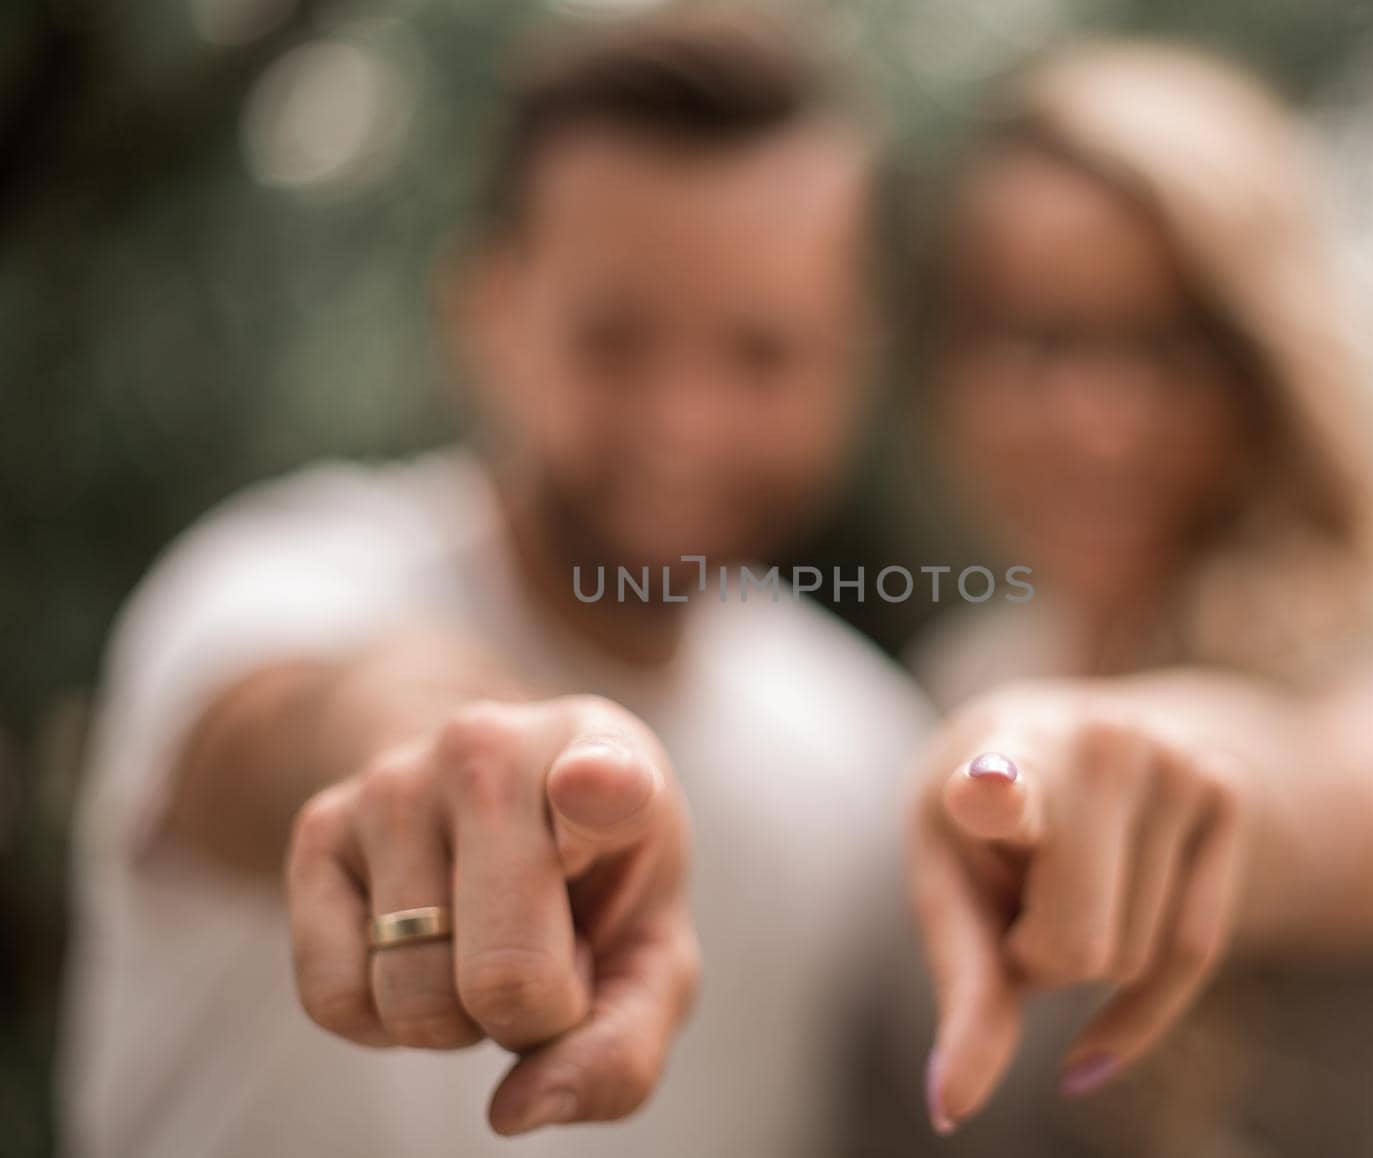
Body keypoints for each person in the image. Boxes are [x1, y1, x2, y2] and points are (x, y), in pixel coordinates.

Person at [59, 11, 931, 1157]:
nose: (685, 424)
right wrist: (432, 758)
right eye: (613, 340)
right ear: (488, 316)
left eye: (762, 351)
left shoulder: (869, 754)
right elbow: (291, 724)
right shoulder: (267, 577)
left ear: (854, 362)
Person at [849, 43, 1373, 1157]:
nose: (1100, 421)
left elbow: (1327, 807)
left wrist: (1147, 760)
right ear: (950, 369)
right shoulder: (960, 673)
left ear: (1264, 375)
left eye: (1168, 345)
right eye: (1039, 338)